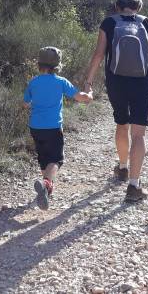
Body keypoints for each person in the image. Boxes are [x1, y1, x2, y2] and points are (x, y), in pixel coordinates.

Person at [85, 0, 148, 202]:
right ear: (138, 6)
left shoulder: (108, 23)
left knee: (121, 124)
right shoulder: (147, 23)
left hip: (116, 82)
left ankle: (122, 167)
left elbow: (98, 54)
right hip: (142, 83)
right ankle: (133, 185)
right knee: (138, 134)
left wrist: (88, 81)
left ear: (117, 5)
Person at [24, 47, 93, 210]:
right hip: (53, 127)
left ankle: (46, 189)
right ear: (57, 65)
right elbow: (80, 97)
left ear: (39, 64)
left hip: (35, 127)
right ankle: (46, 182)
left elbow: (25, 103)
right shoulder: (61, 81)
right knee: (56, 159)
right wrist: (89, 95)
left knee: (43, 157)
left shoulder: (33, 82)